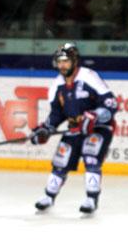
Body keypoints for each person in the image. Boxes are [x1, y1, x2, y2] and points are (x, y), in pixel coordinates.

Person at [30, 43, 118, 214]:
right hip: (75, 128)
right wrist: (46, 129)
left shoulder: (89, 76)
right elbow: (57, 113)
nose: (62, 65)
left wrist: (95, 115)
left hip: (99, 127)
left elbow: (111, 103)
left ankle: (91, 199)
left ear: (74, 61)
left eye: (66, 61)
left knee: (91, 156)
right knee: (60, 162)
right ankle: (49, 196)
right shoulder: (57, 85)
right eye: (59, 62)